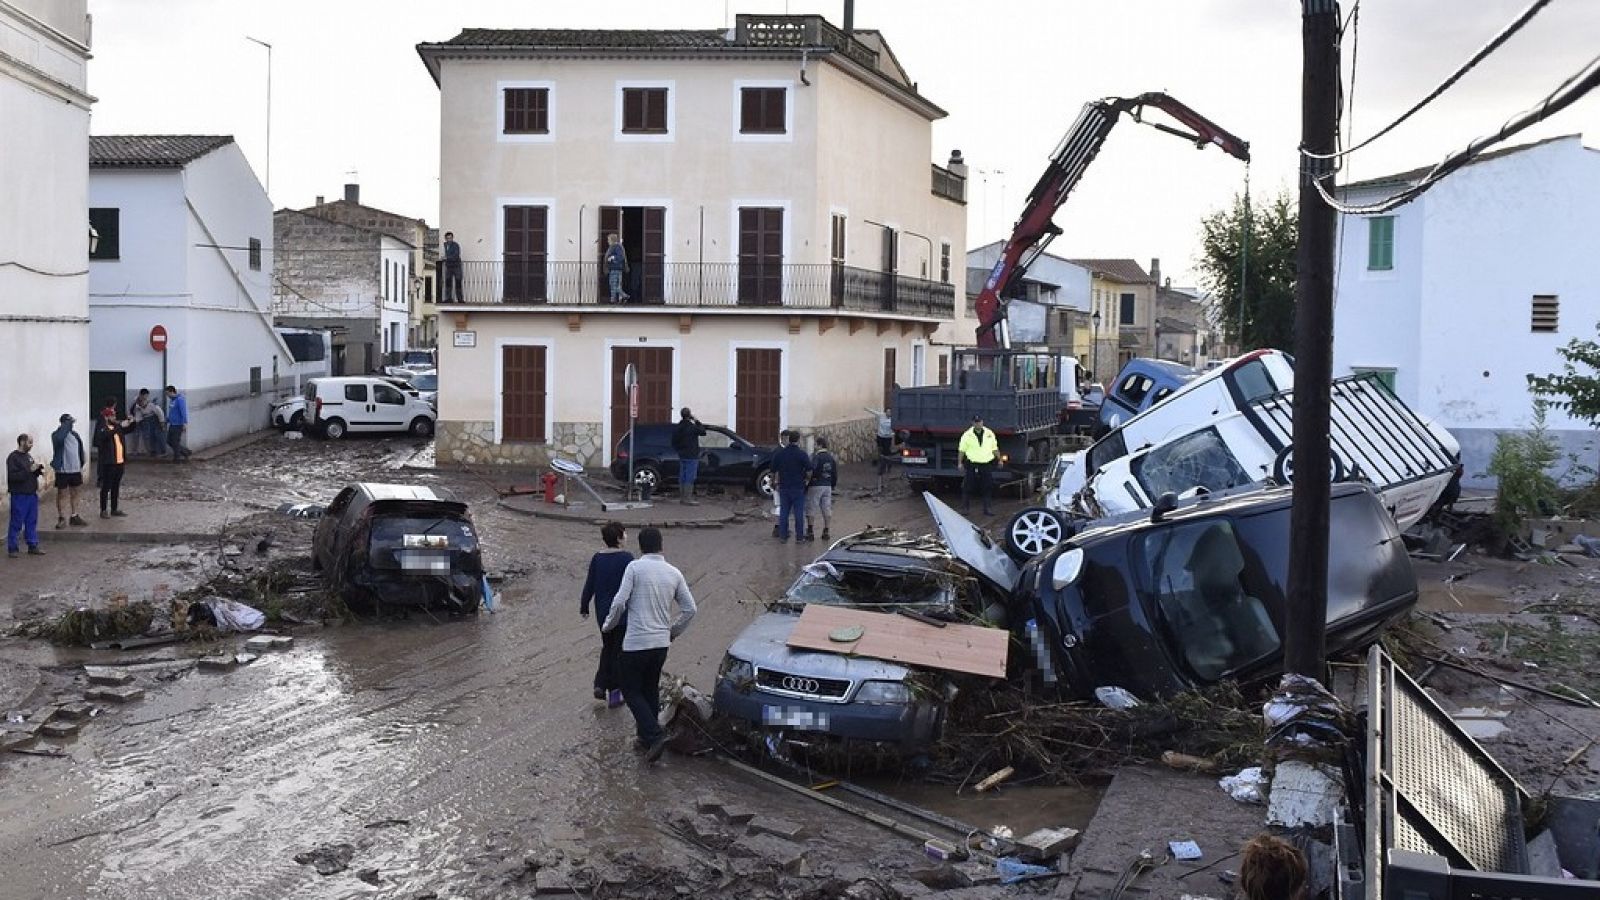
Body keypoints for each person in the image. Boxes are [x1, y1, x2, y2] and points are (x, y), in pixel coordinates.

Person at [600, 527, 696, 762]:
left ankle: (654, 736)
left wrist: (608, 626)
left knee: (630, 689)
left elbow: (619, 602)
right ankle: (645, 739)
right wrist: (673, 631)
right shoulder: (674, 573)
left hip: (636, 643)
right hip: (661, 644)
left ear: (641, 547)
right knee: (649, 689)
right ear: (661, 545)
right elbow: (690, 609)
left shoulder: (634, 568)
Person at [579, 521, 633, 708]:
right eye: (624, 534)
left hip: (602, 614)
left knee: (608, 647)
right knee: (618, 652)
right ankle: (615, 694)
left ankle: (600, 685)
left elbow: (589, 584)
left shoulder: (597, 558)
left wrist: (584, 606)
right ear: (619, 538)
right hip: (622, 615)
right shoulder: (627, 559)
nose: (626, 537)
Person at [6, 434, 47, 558]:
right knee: (17, 521)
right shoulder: (13, 458)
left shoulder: (28, 456)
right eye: (29, 442)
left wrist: (37, 470)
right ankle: (12, 547)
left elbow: (30, 472)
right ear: (22, 442)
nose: (31, 445)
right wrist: (29, 470)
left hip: (31, 494)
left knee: (31, 521)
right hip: (19, 494)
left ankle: (32, 545)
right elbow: (13, 477)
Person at [49, 414, 88, 530]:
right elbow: (60, 439)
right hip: (63, 470)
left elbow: (80, 448)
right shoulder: (56, 435)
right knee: (62, 493)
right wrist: (65, 427)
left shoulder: (75, 435)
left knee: (75, 492)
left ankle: (74, 515)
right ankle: (61, 517)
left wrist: (82, 461)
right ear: (64, 423)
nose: (72, 425)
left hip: (75, 469)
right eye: (70, 422)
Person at [771, 430, 811, 542]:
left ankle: (783, 536)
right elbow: (809, 470)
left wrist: (773, 482)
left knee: (784, 512)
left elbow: (773, 470)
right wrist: (807, 480)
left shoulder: (780, 454)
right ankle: (799, 537)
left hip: (784, 486)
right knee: (799, 512)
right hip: (798, 486)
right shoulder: (802, 454)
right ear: (798, 440)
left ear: (789, 439)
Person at [93, 406, 132, 519]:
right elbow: (105, 436)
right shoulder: (103, 428)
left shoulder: (116, 428)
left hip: (119, 462)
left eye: (114, 415)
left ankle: (114, 508)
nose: (114, 417)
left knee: (116, 486)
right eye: (112, 415)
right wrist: (119, 426)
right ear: (106, 417)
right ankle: (103, 509)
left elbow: (128, 430)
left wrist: (132, 422)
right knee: (106, 487)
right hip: (109, 462)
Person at [958, 414, 1000, 516]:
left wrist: (999, 459)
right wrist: (959, 463)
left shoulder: (989, 433)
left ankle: (987, 509)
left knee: (987, 487)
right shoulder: (967, 435)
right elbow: (961, 450)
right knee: (967, 487)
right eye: (976, 422)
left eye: (979, 422)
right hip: (972, 464)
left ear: (982, 422)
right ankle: (965, 509)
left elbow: (994, 448)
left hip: (985, 464)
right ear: (973, 423)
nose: (978, 424)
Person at [804, 436, 838, 543]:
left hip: (816, 484)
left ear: (819, 445)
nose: (814, 446)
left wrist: (808, 481)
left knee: (811, 508)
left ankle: (810, 531)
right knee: (826, 508)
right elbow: (835, 473)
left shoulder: (816, 457)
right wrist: (832, 485)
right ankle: (826, 530)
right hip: (827, 485)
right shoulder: (831, 457)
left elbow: (812, 469)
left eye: (815, 444)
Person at [670, 408, 706, 505]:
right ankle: (687, 498)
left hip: (682, 454)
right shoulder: (692, 427)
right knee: (690, 476)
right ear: (689, 415)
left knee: (682, 475)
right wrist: (696, 420)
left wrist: (679, 450)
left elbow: (673, 442)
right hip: (692, 454)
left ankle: (682, 497)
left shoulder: (678, 427)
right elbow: (703, 431)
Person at [130, 388, 164, 456]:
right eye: (145, 396)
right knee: (137, 435)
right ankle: (137, 451)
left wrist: (162, 422)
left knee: (148, 435)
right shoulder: (136, 403)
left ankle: (150, 451)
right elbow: (136, 412)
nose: (146, 397)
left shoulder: (151, 404)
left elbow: (159, 413)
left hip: (146, 419)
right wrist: (136, 420)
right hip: (138, 419)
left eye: (146, 396)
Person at [864, 406, 894, 477]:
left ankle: (888, 466)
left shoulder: (893, 419)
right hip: (880, 437)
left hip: (888, 438)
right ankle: (881, 467)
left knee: (886, 453)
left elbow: (895, 428)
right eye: (888, 412)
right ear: (885, 412)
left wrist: (892, 434)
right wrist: (866, 408)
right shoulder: (881, 416)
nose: (889, 413)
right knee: (880, 451)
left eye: (890, 412)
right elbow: (873, 412)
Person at [164, 385, 192, 461]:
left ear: (172, 392)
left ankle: (177, 458)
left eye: (167, 393)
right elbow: (172, 412)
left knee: (175, 441)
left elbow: (183, 412)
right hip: (172, 424)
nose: (167, 396)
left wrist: (184, 423)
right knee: (169, 441)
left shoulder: (180, 399)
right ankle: (185, 452)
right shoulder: (172, 400)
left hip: (178, 424)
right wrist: (168, 419)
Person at [604, 233, 630, 303]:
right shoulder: (615, 246)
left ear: (612, 239)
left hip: (615, 268)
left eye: (608, 239)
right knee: (613, 284)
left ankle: (623, 296)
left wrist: (612, 258)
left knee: (613, 284)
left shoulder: (617, 246)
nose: (607, 241)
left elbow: (620, 256)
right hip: (614, 268)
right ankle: (615, 298)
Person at [441, 231, 462, 303]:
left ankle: (460, 299)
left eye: (450, 238)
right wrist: (445, 258)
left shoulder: (456, 245)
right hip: (449, 266)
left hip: (456, 266)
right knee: (448, 283)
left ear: (452, 238)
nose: (449, 239)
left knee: (458, 282)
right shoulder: (445, 245)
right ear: (445, 239)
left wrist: (446, 258)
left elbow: (456, 255)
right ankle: (448, 298)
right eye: (448, 238)